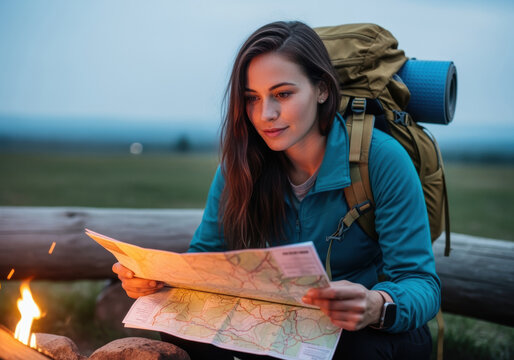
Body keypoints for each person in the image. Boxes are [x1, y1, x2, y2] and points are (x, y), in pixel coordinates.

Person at [112, 21, 440, 359]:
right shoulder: (241, 165)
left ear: (322, 89)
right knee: (179, 323)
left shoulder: (381, 159)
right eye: (252, 98)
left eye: (283, 94)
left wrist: (376, 304)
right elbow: (204, 258)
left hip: (369, 331)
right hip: (285, 322)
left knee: (355, 349)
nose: (265, 114)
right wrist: (159, 281)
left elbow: (420, 283)